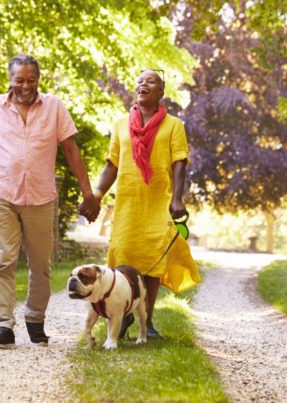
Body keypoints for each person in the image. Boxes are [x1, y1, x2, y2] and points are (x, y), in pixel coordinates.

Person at [0, 53, 100, 349]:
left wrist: (87, 192)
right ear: (10, 80)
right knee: (4, 261)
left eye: (31, 80)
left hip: (40, 198)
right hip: (2, 194)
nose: (26, 86)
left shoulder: (54, 107)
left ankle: (35, 320)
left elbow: (71, 150)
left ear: (39, 79)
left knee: (40, 264)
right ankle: (3, 327)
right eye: (20, 80)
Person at [90, 69, 200, 338]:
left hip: (157, 203)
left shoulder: (174, 125)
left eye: (150, 81)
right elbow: (111, 164)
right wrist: (96, 195)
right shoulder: (120, 125)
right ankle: (123, 315)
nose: (143, 85)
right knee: (123, 258)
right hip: (127, 203)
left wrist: (177, 198)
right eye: (140, 81)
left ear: (161, 92)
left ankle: (146, 322)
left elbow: (179, 163)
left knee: (152, 263)